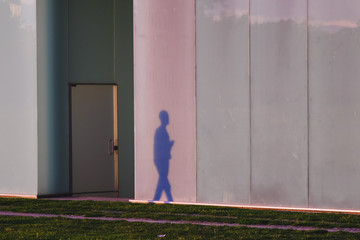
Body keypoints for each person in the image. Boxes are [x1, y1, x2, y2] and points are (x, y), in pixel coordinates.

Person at [153, 110, 174, 201]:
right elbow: (161, 147)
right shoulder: (161, 131)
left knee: (163, 180)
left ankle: (159, 199)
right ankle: (164, 199)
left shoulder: (161, 131)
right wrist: (169, 145)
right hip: (162, 159)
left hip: (162, 159)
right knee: (163, 179)